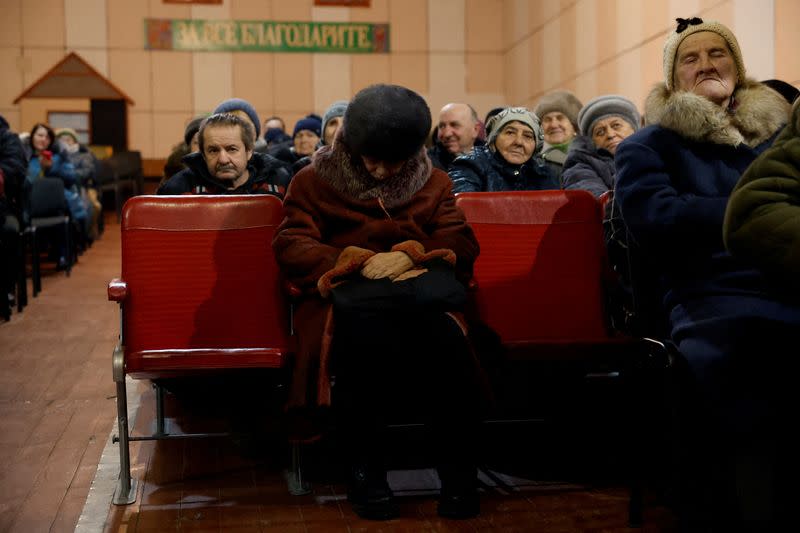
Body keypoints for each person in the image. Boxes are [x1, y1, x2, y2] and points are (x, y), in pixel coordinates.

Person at [613, 18, 796, 529]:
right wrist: (752, 211)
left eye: (719, 54)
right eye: (690, 59)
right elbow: (658, 220)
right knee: (754, 353)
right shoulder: (648, 146)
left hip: (787, 278)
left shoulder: (778, 138)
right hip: (708, 294)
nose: (707, 65)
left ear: (737, 67)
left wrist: (715, 208)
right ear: (674, 78)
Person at [273, 84, 482, 521]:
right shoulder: (312, 181)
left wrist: (409, 254)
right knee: (362, 352)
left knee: (451, 347)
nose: (384, 172)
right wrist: (351, 261)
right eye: (373, 160)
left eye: (395, 162)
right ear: (351, 145)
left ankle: (459, 476)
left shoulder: (435, 182)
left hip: (416, 297)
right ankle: (366, 473)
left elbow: (459, 239)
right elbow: (292, 242)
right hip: (349, 303)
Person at [724, 99, 800, 296]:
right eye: (690, 64)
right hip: (719, 292)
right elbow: (750, 212)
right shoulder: (651, 143)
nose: (707, 67)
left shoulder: (772, 124)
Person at [157, 113, 291, 196]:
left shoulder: (280, 182)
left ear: (249, 151)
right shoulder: (178, 188)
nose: (223, 159)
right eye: (213, 151)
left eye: (232, 149)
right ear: (203, 154)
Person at [448, 107, 559, 193]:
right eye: (510, 133)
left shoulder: (543, 174)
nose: (518, 142)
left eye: (528, 136)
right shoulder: (470, 166)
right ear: (494, 138)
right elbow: (465, 208)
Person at [562, 95, 640, 197]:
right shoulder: (580, 165)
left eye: (616, 125)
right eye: (600, 132)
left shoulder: (655, 153)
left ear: (634, 128)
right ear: (592, 141)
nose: (610, 135)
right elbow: (594, 199)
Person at [56, 127, 101, 242]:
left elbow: (86, 171)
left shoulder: (84, 154)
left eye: (68, 139)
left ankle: (87, 233)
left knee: (94, 205)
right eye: (62, 140)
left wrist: (68, 175)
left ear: (74, 141)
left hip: (84, 186)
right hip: (61, 187)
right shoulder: (56, 155)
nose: (66, 142)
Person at [533, 90, 583, 180]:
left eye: (560, 118)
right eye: (547, 120)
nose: (554, 125)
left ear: (574, 125)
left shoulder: (591, 157)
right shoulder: (533, 162)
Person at [428, 103, 482, 171]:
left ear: (475, 130)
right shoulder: (428, 165)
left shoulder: (492, 159)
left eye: (455, 125)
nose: (447, 134)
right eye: (442, 126)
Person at [162, 116, 204, 185]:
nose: (201, 148)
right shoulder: (177, 162)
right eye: (196, 143)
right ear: (189, 146)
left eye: (205, 143)